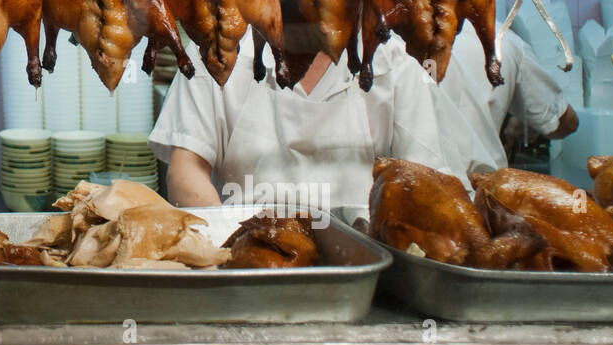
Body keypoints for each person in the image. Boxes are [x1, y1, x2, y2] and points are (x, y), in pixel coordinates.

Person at [149, 30, 451, 210]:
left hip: (364, 264)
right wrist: (227, 253)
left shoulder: (394, 60)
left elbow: (424, 185)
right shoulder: (220, 51)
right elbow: (185, 174)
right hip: (247, 263)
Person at [435, 22, 578, 171]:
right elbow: (567, 122)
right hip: (479, 186)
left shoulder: (412, 38)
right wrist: (527, 119)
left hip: (416, 184)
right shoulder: (503, 40)